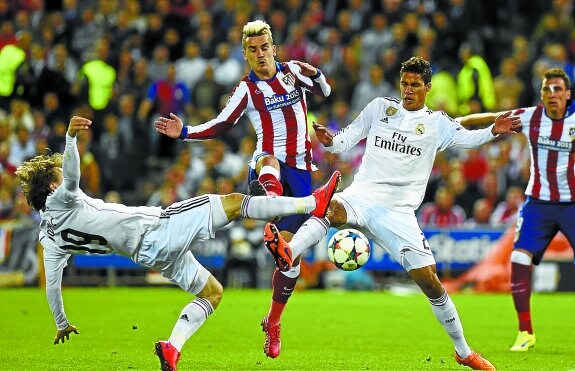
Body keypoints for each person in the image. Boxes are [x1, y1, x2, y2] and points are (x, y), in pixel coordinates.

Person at [15, 115, 341, 371]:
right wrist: (70, 139)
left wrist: (61, 323)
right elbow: (72, 177)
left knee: (212, 292)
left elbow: (51, 285)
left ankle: (172, 347)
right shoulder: (64, 197)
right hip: (158, 228)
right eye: (58, 175)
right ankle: (311, 203)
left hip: (147, 254)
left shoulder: (50, 237)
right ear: (53, 185)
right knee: (232, 202)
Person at [263, 56, 523, 371]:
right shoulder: (379, 108)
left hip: (399, 213)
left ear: (428, 87)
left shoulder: (436, 122)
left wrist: (493, 131)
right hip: (363, 194)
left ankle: (464, 352)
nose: (408, 90)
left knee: (431, 283)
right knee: (329, 206)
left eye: (415, 85)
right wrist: (331, 141)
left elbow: (468, 140)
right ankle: (289, 251)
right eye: (405, 83)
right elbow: (345, 139)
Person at [154, 19, 331, 358]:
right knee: (268, 161)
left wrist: (318, 75)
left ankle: (273, 320)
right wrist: (186, 132)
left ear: (273, 48)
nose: (260, 54)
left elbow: (325, 91)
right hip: (268, 166)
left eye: (265, 47)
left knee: (289, 261)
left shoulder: (293, 72)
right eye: (253, 50)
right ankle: (273, 203)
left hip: (302, 170)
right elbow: (221, 123)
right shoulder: (246, 90)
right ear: (245, 55)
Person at [461, 67, 575, 352]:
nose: (552, 95)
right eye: (546, 89)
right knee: (519, 260)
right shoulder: (531, 116)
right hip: (538, 203)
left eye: (557, 89)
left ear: (568, 94)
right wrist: (456, 121)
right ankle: (525, 332)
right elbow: (492, 118)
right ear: (540, 95)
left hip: (572, 203)